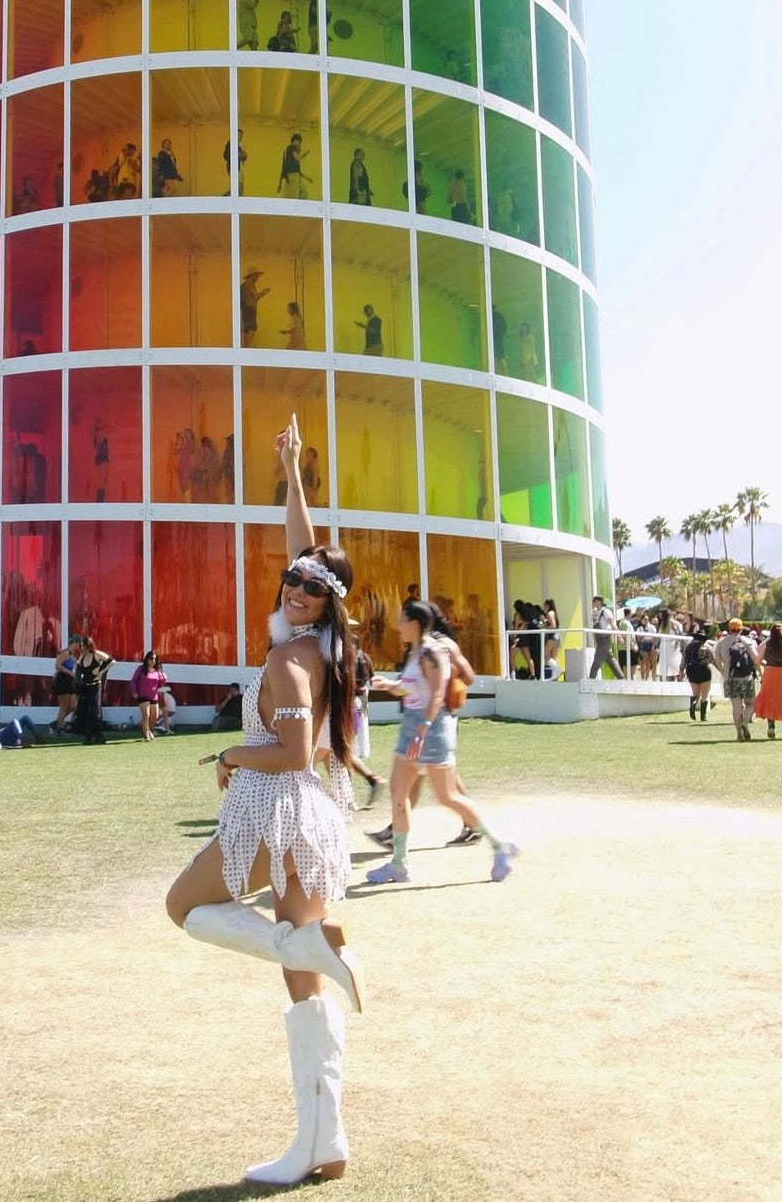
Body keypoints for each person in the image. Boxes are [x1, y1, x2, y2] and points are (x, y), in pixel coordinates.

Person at [165, 412, 361, 1186]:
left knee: (183, 906)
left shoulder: (289, 661)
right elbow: (305, 546)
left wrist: (229, 754)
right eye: (291, 580)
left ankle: (299, 945)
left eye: (309, 586)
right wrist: (292, 475)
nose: (293, 586)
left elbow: (288, 752)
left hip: (275, 811)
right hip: (312, 818)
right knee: (303, 992)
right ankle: (325, 1140)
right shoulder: (330, 647)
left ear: (327, 600)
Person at [366, 600, 518, 885]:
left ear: (415, 623)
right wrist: (389, 686)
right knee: (399, 793)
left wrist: (422, 730)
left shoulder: (431, 652)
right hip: (413, 725)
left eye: (402, 619)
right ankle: (399, 864)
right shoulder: (415, 652)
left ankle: (500, 846)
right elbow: (412, 687)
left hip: (429, 728)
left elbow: (436, 695)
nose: (398, 625)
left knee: (448, 796)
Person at [715, 617, 762, 740]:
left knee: (736, 706)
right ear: (741, 629)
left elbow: (717, 660)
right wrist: (759, 670)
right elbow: (756, 658)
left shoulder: (722, 642)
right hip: (746, 677)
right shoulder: (747, 640)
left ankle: (739, 735)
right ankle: (745, 723)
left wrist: (723, 671)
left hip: (730, 678)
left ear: (729, 629)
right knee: (750, 703)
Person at [73, 635, 114, 744]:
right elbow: (78, 668)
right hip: (85, 686)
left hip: (95, 685)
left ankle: (98, 735)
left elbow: (111, 661)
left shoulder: (96, 654)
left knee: (94, 711)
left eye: (83, 646)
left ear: (87, 646)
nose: (81, 648)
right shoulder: (82, 657)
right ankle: (89, 736)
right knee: (85, 710)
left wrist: (100, 672)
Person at [677, 624, 716, 722]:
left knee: (695, 693)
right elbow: (713, 660)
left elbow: (683, 661)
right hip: (704, 670)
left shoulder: (688, 647)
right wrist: (722, 670)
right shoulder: (706, 647)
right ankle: (703, 716)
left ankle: (693, 704)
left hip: (691, 670)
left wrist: (681, 671)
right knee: (705, 695)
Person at [131, 651, 169, 741]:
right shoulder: (141, 669)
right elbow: (133, 681)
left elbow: (161, 683)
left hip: (153, 696)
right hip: (143, 696)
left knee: (155, 716)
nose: (153, 661)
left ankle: (149, 730)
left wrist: (163, 676)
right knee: (146, 715)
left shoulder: (157, 671)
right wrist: (134, 692)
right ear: (147, 659)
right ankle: (146, 735)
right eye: (151, 658)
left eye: (155, 659)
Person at [588, 595, 624, 679]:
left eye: (595, 601)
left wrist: (618, 635)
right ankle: (620, 676)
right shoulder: (595, 612)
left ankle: (591, 678)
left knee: (597, 658)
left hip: (605, 638)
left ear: (599, 602)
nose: (593, 603)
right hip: (598, 638)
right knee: (610, 659)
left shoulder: (606, 611)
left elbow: (612, 624)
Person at [51, 642, 78, 734]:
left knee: (73, 706)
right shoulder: (66, 653)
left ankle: (57, 722)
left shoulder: (74, 654)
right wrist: (70, 673)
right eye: (79, 644)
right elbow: (57, 666)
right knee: (64, 706)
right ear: (74, 643)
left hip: (70, 681)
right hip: (62, 680)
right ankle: (58, 729)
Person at [240, 269, 270, 346]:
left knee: (246, 333)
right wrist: (264, 292)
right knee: (251, 331)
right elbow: (256, 297)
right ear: (252, 275)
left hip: (246, 310)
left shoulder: (244, 285)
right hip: (249, 310)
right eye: (257, 275)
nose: (257, 277)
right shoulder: (249, 284)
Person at [278, 133, 311, 197]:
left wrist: (307, 178)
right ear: (296, 141)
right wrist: (304, 154)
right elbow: (298, 158)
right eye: (300, 142)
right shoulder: (290, 147)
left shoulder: (290, 155)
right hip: (293, 176)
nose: (299, 144)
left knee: (304, 193)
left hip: (295, 175)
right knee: (295, 195)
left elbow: (297, 170)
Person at [223, 128, 247, 194]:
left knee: (240, 187)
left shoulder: (239, 146)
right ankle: (227, 196)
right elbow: (225, 155)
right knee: (238, 187)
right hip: (234, 168)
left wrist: (242, 154)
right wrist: (238, 155)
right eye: (239, 135)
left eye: (241, 135)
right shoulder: (231, 143)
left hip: (239, 168)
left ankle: (229, 195)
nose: (240, 137)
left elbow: (245, 157)